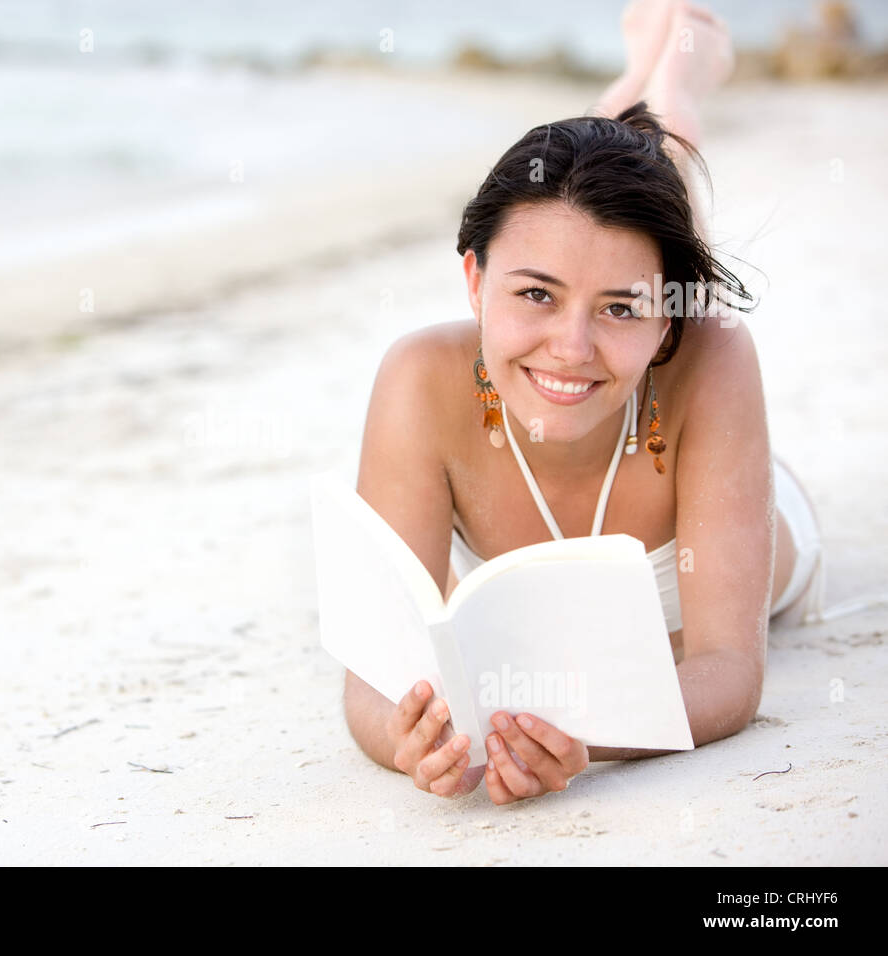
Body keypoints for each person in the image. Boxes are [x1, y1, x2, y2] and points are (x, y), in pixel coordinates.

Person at [342, 0, 824, 804]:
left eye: (624, 309)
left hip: (755, 504)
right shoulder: (419, 381)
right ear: (474, 281)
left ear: (663, 312)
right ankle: (653, 96)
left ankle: (674, 93)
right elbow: (369, 681)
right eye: (534, 293)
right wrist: (407, 739)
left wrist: (578, 739)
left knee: (642, 227)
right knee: (592, 207)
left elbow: (728, 673)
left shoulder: (712, 355)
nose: (570, 349)